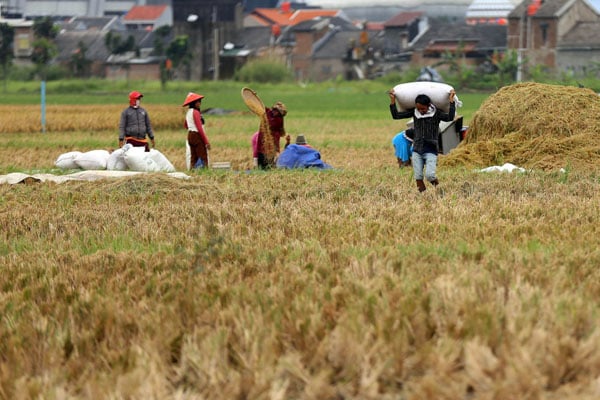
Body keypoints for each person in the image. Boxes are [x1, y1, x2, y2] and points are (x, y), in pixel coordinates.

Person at [389, 89, 455, 192]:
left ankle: (440, 190)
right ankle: (423, 196)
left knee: (430, 175)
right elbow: (396, 116)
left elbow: (450, 117)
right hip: (417, 149)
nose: (421, 111)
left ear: (429, 105)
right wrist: (393, 101)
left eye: (423, 108)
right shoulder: (415, 113)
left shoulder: (436, 113)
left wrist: (451, 101)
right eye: (418, 108)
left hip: (431, 149)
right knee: (418, 177)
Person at [182, 92, 211, 169]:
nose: (200, 103)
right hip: (197, 136)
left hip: (190, 135)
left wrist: (191, 126)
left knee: (193, 157)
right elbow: (200, 128)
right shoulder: (196, 112)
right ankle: (204, 172)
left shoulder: (189, 112)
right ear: (194, 103)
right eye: (198, 101)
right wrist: (206, 142)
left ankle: (192, 172)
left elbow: (185, 125)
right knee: (203, 156)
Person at [255, 101, 287, 169]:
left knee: (269, 165)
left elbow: (276, 134)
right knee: (260, 163)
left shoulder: (279, 119)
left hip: (270, 145)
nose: (274, 112)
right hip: (262, 142)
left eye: (277, 111)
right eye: (274, 110)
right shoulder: (268, 112)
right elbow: (259, 105)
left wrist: (277, 150)